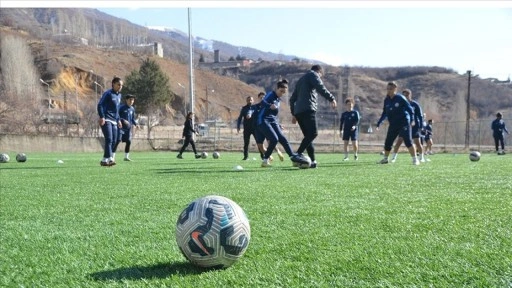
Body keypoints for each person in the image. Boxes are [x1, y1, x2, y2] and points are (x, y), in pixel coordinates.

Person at [289, 65, 337, 168]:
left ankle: (313, 161)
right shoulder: (313, 75)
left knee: (308, 137)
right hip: (308, 109)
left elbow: (292, 99)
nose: (320, 78)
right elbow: (320, 87)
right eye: (321, 76)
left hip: (299, 112)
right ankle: (298, 154)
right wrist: (331, 98)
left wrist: (293, 114)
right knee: (313, 133)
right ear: (319, 72)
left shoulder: (301, 79)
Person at [256, 79, 309, 167]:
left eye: (284, 92)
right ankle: (265, 160)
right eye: (281, 91)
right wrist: (269, 106)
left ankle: (293, 157)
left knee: (283, 138)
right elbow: (262, 102)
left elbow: (274, 114)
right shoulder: (270, 94)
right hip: (263, 120)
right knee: (274, 139)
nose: (282, 93)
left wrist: (278, 125)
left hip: (273, 121)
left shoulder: (278, 99)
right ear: (277, 88)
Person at [376, 82, 419, 165]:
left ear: (395, 89)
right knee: (388, 142)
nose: (388, 90)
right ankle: (385, 159)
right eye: (387, 89)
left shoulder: (400, 98)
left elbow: (410, 109)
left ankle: (415, 159)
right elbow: (384, 112)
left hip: (404, 123)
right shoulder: (387, 100)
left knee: (408, 141)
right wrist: (379, 122)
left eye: (390, 89)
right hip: (393, 124)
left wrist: (412, 120)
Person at [390, 89, 426, 163]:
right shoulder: (401, 104)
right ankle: (393, 158)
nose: (405, 97)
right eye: (404, 95)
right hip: (404, 126)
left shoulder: (415, 104)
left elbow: (420, 116)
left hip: (414, 127)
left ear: (410, 95)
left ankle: (421, 157)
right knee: (398, 142)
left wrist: (421, 126)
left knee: (418, 143)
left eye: (407, 95)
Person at [97, 76, 123, 167]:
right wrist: (102, 117)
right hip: (107, 119)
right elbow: (100, 105)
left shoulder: (119, 95)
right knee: (109, 139)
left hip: (115, 120)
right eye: (118, 84)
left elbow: (117, 109)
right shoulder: (108, 94)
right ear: (113, 84)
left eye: (121, 85)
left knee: (115, 140)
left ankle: (107, 159)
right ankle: (108, 159)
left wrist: (119, 119)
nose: (120, 86)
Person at [253, 92, 284, 162]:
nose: (262, 99)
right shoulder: (255, 107)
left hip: (265, 126)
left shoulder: (268, 107)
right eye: (261, 98)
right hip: (257, 128)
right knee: (260, 145)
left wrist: (278, 125)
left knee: (271, 140)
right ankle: (269, 156)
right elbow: (250, 112)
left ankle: (278, 152)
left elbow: (272, 118)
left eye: (263, 98)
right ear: (258, 98)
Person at [112, 94, 138, 161]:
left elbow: (132, 118)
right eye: (130, 99)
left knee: (128, 141)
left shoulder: (132, 109)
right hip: (120, 127)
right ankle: (112, 157)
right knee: (117, 141)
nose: (132, 101)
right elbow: (116, 116)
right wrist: (122, 120)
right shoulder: (121, 108)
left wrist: (136, 124)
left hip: (128, 129)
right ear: (126, 100)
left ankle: (126, 157)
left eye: (133, 100)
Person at [237, 96, 257, 160]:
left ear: (253, 101)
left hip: (255, 128)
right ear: (246, 101)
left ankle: (263, 156)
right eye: (248, 100)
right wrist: (238, 126)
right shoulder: (244, 108)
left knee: (259, 142)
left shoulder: (255, 107)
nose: (249, 101)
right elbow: (240, 118)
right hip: (246, 128)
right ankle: (246, 157)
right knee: (246, 143)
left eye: (251, 100)